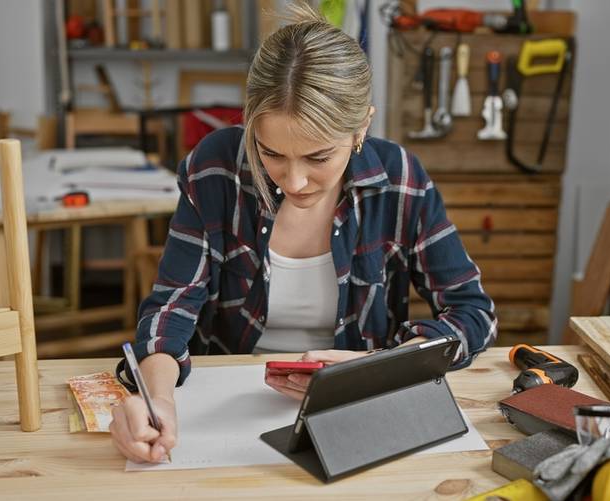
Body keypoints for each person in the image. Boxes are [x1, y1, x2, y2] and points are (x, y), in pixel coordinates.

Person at [109, 4, 497, 464]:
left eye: (318, 158)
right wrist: (157, 402)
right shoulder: (214, 168)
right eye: (271, 153)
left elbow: (473, 313)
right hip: (226, 411)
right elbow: (171, 308)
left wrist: (380, 369)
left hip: (359, 407)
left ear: (361, 127)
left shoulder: (400, 178)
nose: (292, 183)